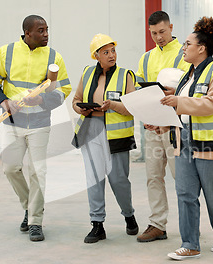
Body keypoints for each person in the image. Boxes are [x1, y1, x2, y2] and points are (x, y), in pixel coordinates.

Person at [0, 15, 71, 242]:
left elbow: (64, 91)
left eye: (47, 30)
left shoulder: (54, 57)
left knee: (38, 172)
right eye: (41, 31)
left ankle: (35, 221)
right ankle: (28, 207)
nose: (46, 35)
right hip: (13, 123)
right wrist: (4, 102)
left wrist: (42, 100)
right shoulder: (7, 52)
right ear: (27, 33)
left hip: (40, 124)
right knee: (10, 168)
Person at [160, 16, 213, 259]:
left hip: (212, 146)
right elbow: (183, 110)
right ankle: (190, 243)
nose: (183, 48)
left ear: (201, 48)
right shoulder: (187, 76)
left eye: (187, 44)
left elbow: (209, 105)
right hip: (184, 143)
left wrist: (178, 101)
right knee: (185, 194)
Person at [71, 33, 138, 244]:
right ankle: (97, 224)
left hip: (116, 134)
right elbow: (76, 100)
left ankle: (129, 215)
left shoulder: (126, 75)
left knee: (118, 179)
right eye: (106, 52)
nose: (111, 55)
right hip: (91, 129)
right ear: (96, 55)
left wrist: (113, 106)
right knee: (94, 178)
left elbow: (132, 108)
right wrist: (80, 109)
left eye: (113, 51)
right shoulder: (87, 73)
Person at [135, 11, 191, 243]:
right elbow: (140, 90)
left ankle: (190, 226)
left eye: (162, 32)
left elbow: (192, 88)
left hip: (175, 127)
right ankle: (158, 224)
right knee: (153, 177)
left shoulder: (185, 53)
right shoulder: (146, 58)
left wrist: (174, 95)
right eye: (154, 33)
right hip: (152, 127)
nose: (158, 37)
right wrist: (146, 114)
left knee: (183, 179)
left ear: (171, 27)